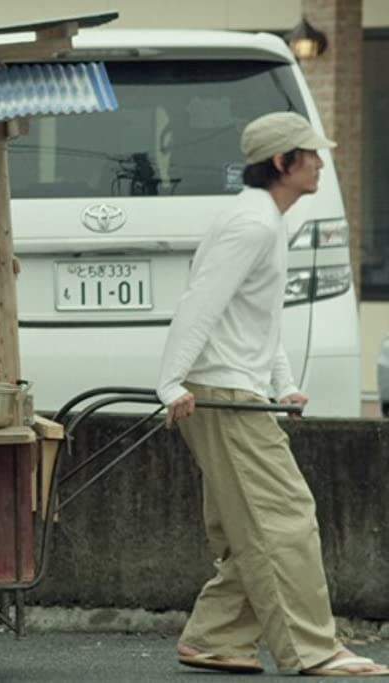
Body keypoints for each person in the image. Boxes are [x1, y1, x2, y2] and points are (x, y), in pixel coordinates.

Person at [157, 111, 389, 677]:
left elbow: (256, 320)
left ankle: (214, 638)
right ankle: (313, 649)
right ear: (283, 162)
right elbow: (199, 304)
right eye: (310, 154)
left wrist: (282, 382)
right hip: (222, 391)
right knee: (285, 518)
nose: (319, 162)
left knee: (248, 524)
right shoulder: (253, 225)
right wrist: (168, 383)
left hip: (236, 388)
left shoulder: (262, 220)